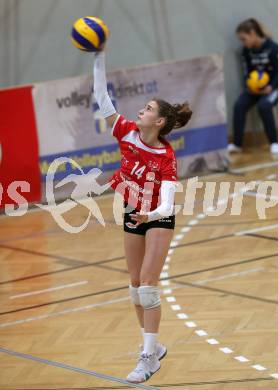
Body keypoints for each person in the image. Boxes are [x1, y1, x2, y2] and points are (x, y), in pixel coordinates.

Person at [93, 48, 192, 383]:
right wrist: (99, 55)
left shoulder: (166, 156)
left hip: (157, 216)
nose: (140, 110)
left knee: (149, 288)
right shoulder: (126, 132)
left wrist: (151, 216)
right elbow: (102, 99)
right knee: (135, 287)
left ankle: (148, 358)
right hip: (135, 210)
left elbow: (166, 205)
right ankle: (155, 344)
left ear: (159, 121)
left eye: (147, 109)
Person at [228, 18, 278, 154]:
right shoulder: (246, 51)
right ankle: (237, 144)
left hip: (275, 87)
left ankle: (274, 142)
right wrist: (250, 86)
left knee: (264, 106)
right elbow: (246, 72)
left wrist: (270, 87)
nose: (243, 43)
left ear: (252, 33)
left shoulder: (274, 48)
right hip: (254, 89)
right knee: (239, 106)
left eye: (243, 39)